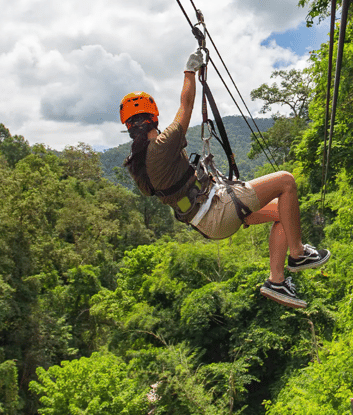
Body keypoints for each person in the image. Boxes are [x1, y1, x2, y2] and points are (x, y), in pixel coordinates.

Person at [119, 50, 330, 309]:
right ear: (154, 117)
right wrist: (189, 71)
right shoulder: (162, 145)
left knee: (282, 214)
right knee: (286, 181)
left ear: (128, 126)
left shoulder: (137, 164)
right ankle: (297, 254)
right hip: (217, 210)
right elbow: (186, 106)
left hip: (206, 220)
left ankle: (277, 281)